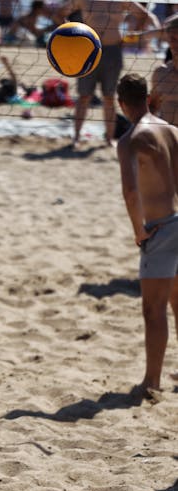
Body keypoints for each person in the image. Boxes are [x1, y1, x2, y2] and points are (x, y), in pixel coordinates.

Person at [116, 73, 178, 393]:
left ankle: (152, 382)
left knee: (153, 311)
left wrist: (139, 230)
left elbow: (130, 191)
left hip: (161, 228)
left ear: (121, 103)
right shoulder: (171, 130)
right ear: (148, 97)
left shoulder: (131, 139)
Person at [61, 0, 160, 148]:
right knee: (84, 96)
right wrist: (69, 34)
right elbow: (61, 13)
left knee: (109, 97)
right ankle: (76, 137)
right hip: (88, 49)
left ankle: (109, 138)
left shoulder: (121, 1)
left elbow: (144, 15)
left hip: (113, 50)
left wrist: (135, 35)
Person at [150, 13, 178, 126]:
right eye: (173, 38)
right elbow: (152, 108)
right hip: (167, 138)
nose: (176, 44)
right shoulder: (160, 73)